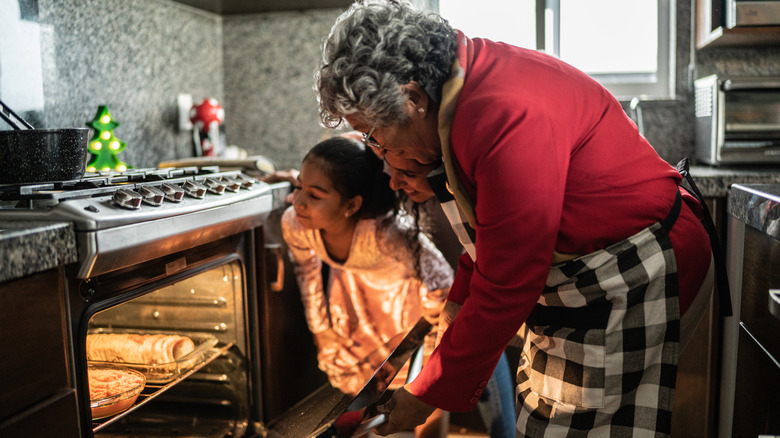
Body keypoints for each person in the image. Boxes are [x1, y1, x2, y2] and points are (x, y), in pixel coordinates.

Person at [313, 1, 720, 436]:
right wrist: (459, 299)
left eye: (374, 135)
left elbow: (510, 278)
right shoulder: (462, 87)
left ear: (412, 99)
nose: (379, 152)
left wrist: (428, 394)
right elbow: (497, 230)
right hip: (586, 278)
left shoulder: (499, 112)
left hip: (636, 271)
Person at [280, 136, 453, 437]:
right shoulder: (295, 223)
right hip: (354, 300)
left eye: (315, 195)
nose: (298, 202)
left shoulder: (387, 236)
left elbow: (444, 284)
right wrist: (320, 329)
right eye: (298, 187)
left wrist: (417, 344)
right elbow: (306, 270)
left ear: (351, 205)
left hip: (410, 312)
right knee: (373, 407)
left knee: (425, 398)